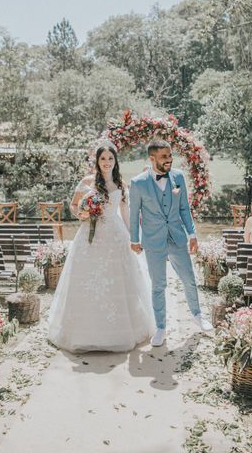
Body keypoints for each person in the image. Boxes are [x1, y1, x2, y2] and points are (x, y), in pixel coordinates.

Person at [47, 143, 155, 352]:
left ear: (115, 161)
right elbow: (73, 204)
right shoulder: (87, 181)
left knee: (117, 281)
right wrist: (82, 214)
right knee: (87, 280)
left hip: (115, 237)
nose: (107, 162)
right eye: (103, 159)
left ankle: (119, 332)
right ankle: (83, 332)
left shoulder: (120, 183)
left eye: (110, 159)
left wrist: (133, 238)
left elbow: (126, 213)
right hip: (89, 237)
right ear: (97, 161)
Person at [129, 139, 213, 347]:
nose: (169, 159)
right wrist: (134, 239)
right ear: (152, 158)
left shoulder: (178, 177)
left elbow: (184, 208)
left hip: (177, 237)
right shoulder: (137, 183)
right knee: (158, 285)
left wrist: (192, 234)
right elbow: (134, 214)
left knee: (189, 279)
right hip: (153, 240)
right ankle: (160, 327)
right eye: (164, 156)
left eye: (170, 156)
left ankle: (197, 315)